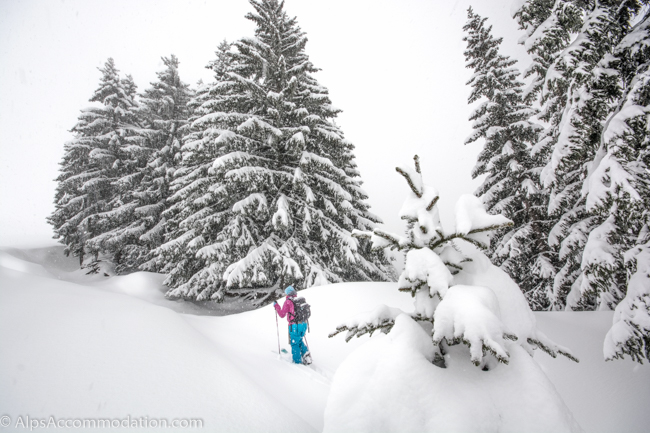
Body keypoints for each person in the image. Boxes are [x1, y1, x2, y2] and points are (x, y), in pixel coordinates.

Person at [274, 286, 311, 364]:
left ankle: (297, 362)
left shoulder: (288, 302)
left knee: (294, 343)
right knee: (299, 340)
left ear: (287, 293)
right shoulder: (298, 300)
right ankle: (306, 355)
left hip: (295, 326)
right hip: (304, 324)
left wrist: (276, 306)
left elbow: (282, 314)